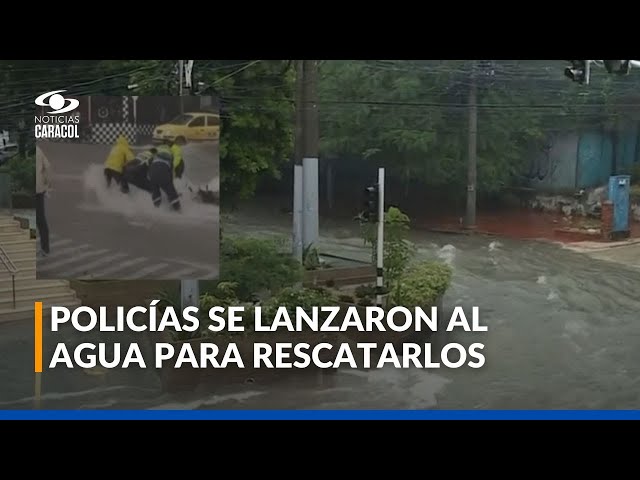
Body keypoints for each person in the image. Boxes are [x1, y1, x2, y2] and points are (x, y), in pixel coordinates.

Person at [148, 141, 181, 211]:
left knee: (155, 192)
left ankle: (156, 210)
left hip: (152, 171)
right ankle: (179, 211)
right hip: (163, 170)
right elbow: (170, 174)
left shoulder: (157, 151)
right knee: (171, 192)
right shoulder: (170, 154)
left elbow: (149, 161)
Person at [35, 146, 52, 257]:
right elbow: (48, 167)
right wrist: (47, 184)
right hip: (38, 190)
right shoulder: (38, 150)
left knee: (36, 220)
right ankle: (45, 248)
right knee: (41, 220)